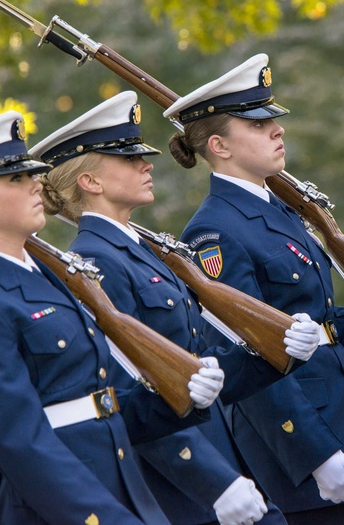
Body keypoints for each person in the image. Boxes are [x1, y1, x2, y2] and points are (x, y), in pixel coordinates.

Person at [163, 53, 344, 525]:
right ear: (220, 146)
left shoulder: (281, 212)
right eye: (256, 124)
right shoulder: (213, 233)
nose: (277, 130)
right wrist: (314, 453)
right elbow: (248, 356)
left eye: (273, 120)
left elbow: (319, 325)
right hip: (298, 448)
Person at [0, 111, 225, 525]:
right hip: (66, 510)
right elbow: (21, 442)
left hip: (124, 490)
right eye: (17, 180)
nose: (37, 184)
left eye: (31, 175)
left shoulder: (53, 281)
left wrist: (180, 399)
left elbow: (103, 400)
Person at [29, 90, 322, 525]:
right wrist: (213, 485)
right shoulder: (98, 261)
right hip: (187, 488)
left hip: (222, 458)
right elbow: (131, 394)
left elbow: (202, 365)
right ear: (90, 182)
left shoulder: (143, 249)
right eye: (129, 159)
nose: (147, 164)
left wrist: (277, 352)